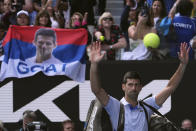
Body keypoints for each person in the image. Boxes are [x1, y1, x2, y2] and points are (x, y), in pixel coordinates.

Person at [89, 41, 190, 131]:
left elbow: (170, 87)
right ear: (123, 87)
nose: (133, 88)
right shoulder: (115, 106)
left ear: (141, 87)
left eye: (136, 85)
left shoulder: (147, 106)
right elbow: (96, 90)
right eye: (130, 85)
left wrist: (183, 64)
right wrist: (94, 64)